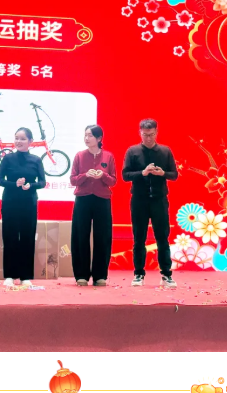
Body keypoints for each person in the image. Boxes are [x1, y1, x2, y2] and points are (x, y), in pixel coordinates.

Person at [122, 119, 178, 288]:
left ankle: (166, 274)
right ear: (140, 133)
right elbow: (125, 175)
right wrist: (143, 172)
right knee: (139, 238)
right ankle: (138, 273)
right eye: (145, 135)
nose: (148, 138)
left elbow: (174, 175)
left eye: (151, 134)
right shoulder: (132, 151)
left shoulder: (165, 151)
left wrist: (163, 173)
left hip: (159, 200)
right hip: (139, 200)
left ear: (156, 133)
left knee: (162, 238)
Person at [0, 127, 46, 287]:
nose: (19, 141)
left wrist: (31, 185)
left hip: (29, 203)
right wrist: (14, 184)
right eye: (16, 138)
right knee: (9, 237)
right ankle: (9, 275)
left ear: (30, 141)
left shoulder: (36, 160)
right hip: (10, 202)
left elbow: (42, 182)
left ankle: (25, 276)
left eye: (23, 139)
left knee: (27, 238)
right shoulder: (8, 158)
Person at [70, 125, 117, 286]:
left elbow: (113, 181)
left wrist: (103, 175)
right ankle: (81, 275)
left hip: (102, 199)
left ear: (99, 138)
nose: (86, 138)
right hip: (83, 199)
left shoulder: (108, 156)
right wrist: (85, 175)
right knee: (80, 235)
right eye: (85, 135)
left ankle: (100, 275)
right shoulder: (79, 155)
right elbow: (73, 180)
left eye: (90, 135)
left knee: (102, 236)